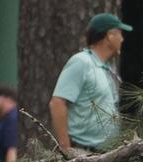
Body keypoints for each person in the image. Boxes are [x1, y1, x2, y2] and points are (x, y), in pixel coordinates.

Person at [49, 13, 132, 153]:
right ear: (109, 36)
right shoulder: (81, 62)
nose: (122, 39)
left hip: (107, 154)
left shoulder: (108, 68)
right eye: (119, 34)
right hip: (84, 152)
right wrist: (66, 150)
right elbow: (57, 103)